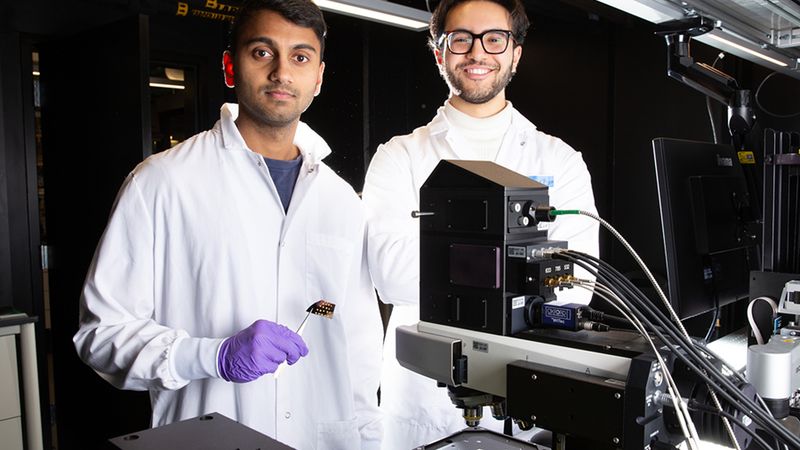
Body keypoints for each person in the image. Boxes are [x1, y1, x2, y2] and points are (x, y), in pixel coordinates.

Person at [72, 1, 383, 448]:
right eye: (262, 52)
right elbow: (101, 336)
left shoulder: (340, 200)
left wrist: (367, 439)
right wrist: (212, 355)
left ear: (318, 76)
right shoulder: (163, 182)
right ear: (229, 67)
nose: (281, 72)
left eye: (300, 57)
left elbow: (354, 338)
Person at [362, 0, 600, 448]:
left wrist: (446, 254)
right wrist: (524, 260)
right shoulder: (399, 156)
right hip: (424, 405)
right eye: (460, 39)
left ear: (515, 54)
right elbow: (392, 278)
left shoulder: (559, 160)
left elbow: (577, 283)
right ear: (439, 52)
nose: (477, 53)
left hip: (528, 394)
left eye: (494, 39)